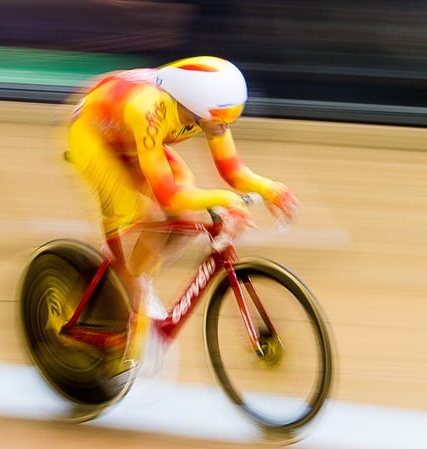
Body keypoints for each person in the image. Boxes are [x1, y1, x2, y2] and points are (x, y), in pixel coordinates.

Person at [64, 55, 299, 370]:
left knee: (186, 218)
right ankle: (133, 300)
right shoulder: (150, 109)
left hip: (130, 141)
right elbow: (168, 195)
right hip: (92, 139)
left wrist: (269, 188)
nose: (225, 127)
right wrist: (224, 200)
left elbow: (231, 170)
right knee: (149, 215)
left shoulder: (206, 109)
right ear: (197, 104)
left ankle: (135, 279)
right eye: (222, 119)